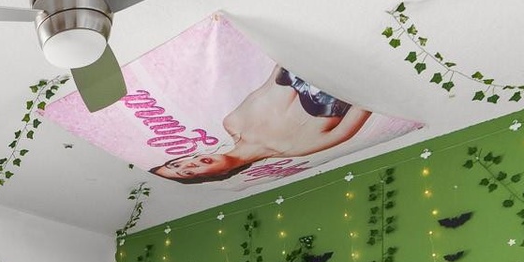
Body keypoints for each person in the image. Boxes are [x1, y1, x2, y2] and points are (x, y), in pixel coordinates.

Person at [151, 66, 371, 184]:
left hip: (318, 44)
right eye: (187, 174)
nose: (189, 165)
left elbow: (278, 69)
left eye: (176, 164)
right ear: (217, 175)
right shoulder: (297, 148)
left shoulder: (234, 121)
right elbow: (369, 103)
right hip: (360, 64)